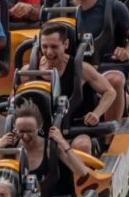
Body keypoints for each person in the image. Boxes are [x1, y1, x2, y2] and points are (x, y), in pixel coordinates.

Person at [31, 21, 122, 154]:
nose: (49, 52)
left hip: (76, 128)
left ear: (66, 44)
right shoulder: (30, 71)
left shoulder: (80, 68)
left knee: (82, 145)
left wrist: (96, 114)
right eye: (44, 46)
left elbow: (110, 92)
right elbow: (15, 100)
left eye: (54, 47)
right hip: (43, 130)